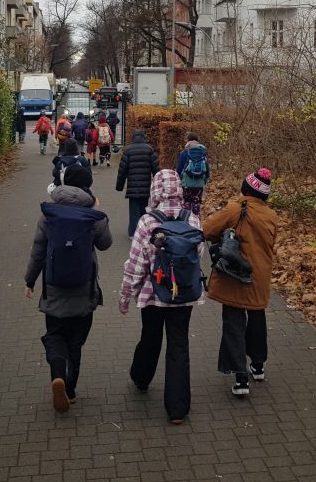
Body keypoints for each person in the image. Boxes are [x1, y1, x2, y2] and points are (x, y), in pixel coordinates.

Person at [119, 169, 203, 424]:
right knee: (179, 345)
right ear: (179, 188)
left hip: (153, 294)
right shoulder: (192, 219)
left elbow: (136, 265)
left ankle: (141, 378)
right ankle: (177, 409)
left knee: (150, 336)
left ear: (155, 189)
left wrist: (125, 296)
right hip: (183, 294)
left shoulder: (147, 222)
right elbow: (197, 254)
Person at [24, 165, 111, 412]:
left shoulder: (49, 214)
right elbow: (105, 244)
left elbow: (38, 251)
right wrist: (98, 212)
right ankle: (70, 390)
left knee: (55, 335)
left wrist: (30, 281)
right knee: (75, 341)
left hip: (54, 288)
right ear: (88, 185)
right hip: (84, 289)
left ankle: (57, 375)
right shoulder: (91, 215)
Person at [202, 168, 278, 398]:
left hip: (236, 274)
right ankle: (258, 366)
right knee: (257, 318)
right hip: (260, 274)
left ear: (246, 189)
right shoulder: (271, 215)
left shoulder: (236, 208)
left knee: (233, 322)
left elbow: (207, 229)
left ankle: (240, 377)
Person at [115, 129, 159, 238]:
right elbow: (156, 169)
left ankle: (133, 233)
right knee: (144, 209)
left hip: (132, 187)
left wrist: (119, 186)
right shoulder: (149, 150)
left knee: (133, 210)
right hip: (145, 186)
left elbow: (122, 170)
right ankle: (143, 231)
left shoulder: (128, 150)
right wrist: (158, 185)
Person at [175, 133, 210, 215]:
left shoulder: (184, 152)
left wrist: (178, 179)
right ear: (197, 141)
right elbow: (207, 168)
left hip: (186, 183)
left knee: (187, 201)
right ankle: (196, 218)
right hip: (199, 183)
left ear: (188, 141)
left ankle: (186, 218)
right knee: (196, 202)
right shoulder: (203, 153)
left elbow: (179, 169)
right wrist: (205, 180)